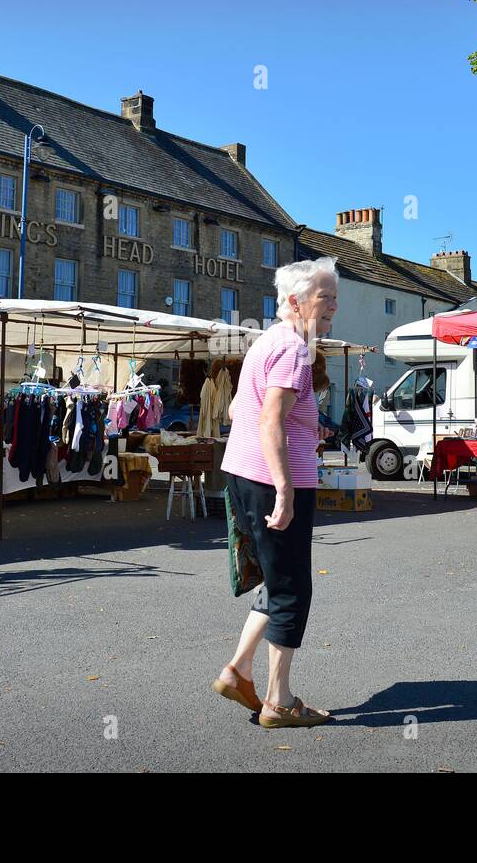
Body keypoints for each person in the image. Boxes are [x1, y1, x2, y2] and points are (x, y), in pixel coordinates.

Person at [213, 256, 339, 728]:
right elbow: (269, 419)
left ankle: (237, 671)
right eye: (325, 299)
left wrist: (306, 430)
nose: (333, 309)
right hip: (272, 481)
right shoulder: (296, 350)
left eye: (334, 300)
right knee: (291, 590)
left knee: (276, 579)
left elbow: (235, 411)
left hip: (244, 474)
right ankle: (278, 702)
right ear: (295, 301)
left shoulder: (267, 341)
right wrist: (285, 489)